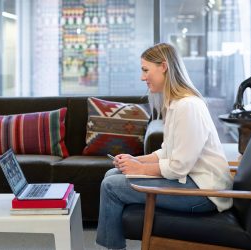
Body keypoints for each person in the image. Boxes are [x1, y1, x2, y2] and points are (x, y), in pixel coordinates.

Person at [96, 43, 233, 250]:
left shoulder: (188, 106)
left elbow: (179, 166)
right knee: (112, 173)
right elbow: (167, 152)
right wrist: (135, 161)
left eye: (145, 70)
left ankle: (111, 248)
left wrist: (140, 170)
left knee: (111, 186)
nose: (142, 77)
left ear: (164, 66)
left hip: (205, 193)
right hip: (191, 182)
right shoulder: (176, 104)